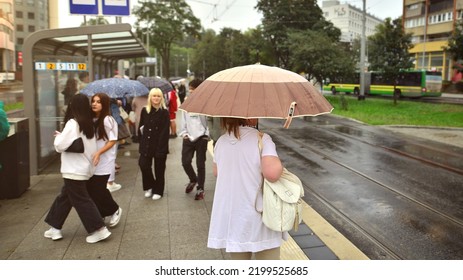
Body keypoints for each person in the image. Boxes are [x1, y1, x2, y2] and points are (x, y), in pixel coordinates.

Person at [207, 117, 284, 259]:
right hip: (260, 216)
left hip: (233, 218)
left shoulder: (221, 142)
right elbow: (272, 174)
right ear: (249, 117)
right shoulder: (263, 139)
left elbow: (217, 172)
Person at [44, 94, 111, 244]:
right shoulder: (88, 124)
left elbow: (59, 145)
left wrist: (58, 137)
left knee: (81, 200)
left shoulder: (72, 123)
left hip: (73, 169)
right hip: (84, 168)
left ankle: (99, 229)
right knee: (65, 197)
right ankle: (54, 228)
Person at [88, 93, 122, 228]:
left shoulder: (108, 120)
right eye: (93, 101)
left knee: (99, 189)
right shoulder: (91, 119)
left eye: (98, 102)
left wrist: (99, 152)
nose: (94, 104)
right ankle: (101, 213)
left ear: (105, 104)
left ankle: (115, 209)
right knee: (94, 190)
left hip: (105, 161)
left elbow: (112, 141)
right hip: (93, 161)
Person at [178, 79, 210, 200]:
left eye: (193, 88)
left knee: (200, 164)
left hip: (201, 138)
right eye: (190, 88)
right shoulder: (187, 102)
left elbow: (209, 121)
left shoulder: (206, 103)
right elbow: (183, 120)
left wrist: (206, 135)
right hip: (188, 138)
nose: (191, 90)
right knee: (185, 162)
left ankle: (200, 188)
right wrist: (184, 134)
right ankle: (193, 179)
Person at [138, 88, 170, 200]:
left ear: (161, 98)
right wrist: (141, 141)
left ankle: (159, 190)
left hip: (159, 145)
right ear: (150, 97)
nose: (156, 98)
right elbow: (141, 127)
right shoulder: (144, 111)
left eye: (158, 96)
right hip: (146, 143)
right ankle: (149, 186)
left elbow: (165, 132)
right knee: (143, 165)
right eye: (154, 96)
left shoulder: (164, 112)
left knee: (159, 169)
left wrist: (161, 148)